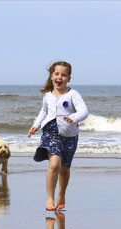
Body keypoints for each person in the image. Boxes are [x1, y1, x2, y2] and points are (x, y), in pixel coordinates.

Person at [27, 61, 89, 211]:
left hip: (69, 135)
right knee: (54, 164)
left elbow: (84, 111)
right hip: (50, 132)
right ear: (51, 76)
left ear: (69, 78)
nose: (59, 77)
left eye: (63, 75)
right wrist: (36, 125)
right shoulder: (48, 95)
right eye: (56, 74)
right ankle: (49, 198)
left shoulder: (73, 94)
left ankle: (61, 194)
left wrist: (73, 118)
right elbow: (44, 112)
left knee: (65, 168)